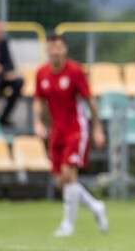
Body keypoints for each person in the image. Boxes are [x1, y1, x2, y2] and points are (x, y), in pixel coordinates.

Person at [32, 33, 109, 237]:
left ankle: (68, 225)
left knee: (68, 175)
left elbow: (90, 100)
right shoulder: (41, 73)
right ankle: (95, 206)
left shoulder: (75, 71)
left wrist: (97, 127)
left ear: (64, 50)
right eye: (52, 47)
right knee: (61, 182)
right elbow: (38, 100)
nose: (55, 51)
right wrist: (38, 122)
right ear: (47, 50)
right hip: (55, 132)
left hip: (76, 128)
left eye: (59, 47)